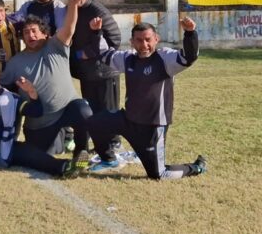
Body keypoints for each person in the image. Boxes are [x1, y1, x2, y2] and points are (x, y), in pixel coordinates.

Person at [85, 17, 207, 180]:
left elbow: (188, 57)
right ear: (132, 42)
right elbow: (105, 55)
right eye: (139, 40)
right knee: (93, 123)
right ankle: (108, 160)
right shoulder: (128, 58)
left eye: (148, 40)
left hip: (153, 127)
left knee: (158, 174)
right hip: (128, 120)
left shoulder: (165, 59)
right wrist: (95, 32)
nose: (144, 45)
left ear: (156, 39)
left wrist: (190, 33)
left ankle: (196, 167)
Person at [0, 64, 88, 184]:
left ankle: (65, 167)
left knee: (32, 154)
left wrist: (31, 91)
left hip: (5, 144)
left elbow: (36, 111)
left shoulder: (10, 98)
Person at [0, 0, 92, 164]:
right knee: (44, 153)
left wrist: (72, 5)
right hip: (40, 123)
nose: (30, 35)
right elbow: (1, 90)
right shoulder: (15, 62)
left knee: (84, 111)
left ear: (45, 34)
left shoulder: (56, 45)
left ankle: (81, 152)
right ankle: (63, 137)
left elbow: (69, 27)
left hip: (67, 109)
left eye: (34, 31)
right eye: (26, 33)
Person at [66, 0, 122, 151]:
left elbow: (115, 38)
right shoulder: (72, 10)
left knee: (108, 110)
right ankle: (100, 145)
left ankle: (113, 144)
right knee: (92, 111)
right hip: (87, 74)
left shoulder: (98, 11)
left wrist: (86, 53)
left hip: (105, 72)